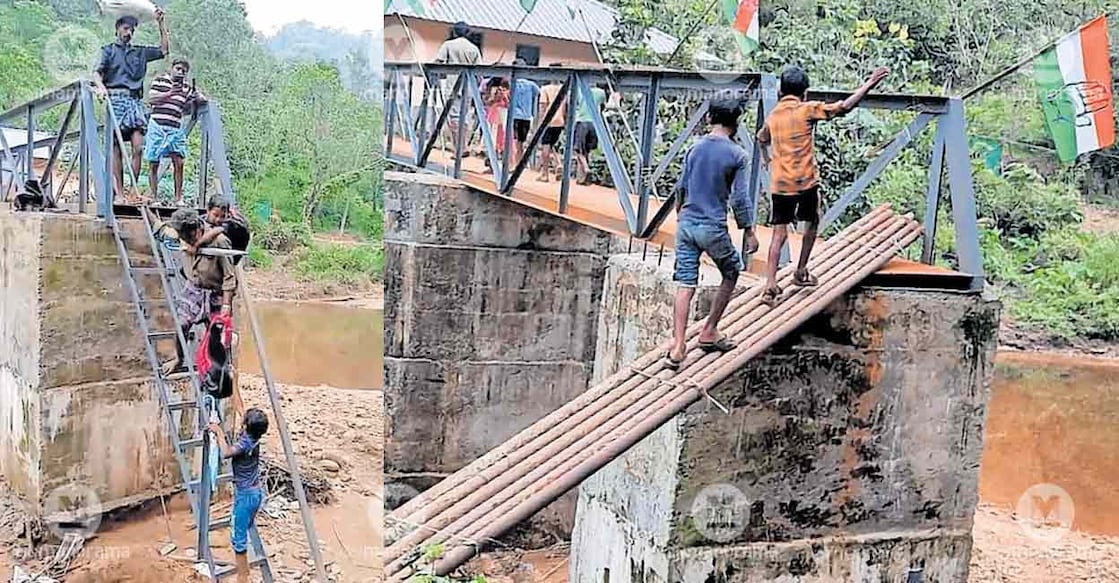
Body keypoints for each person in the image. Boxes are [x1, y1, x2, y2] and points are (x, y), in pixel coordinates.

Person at [756, 66, 889, 306]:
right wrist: (869, 84)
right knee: (814, 221)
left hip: (781, 184)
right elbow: (843, 107)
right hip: (805, 181)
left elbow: (761, 138)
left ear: (780, 92)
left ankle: (770, 285)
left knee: (779, 234)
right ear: (804, 93)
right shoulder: (807, 109)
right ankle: (801, 271)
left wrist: (767, 160)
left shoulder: (773, 116)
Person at [664, 95, 757, 371]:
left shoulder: (693, 148)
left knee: (685, 283)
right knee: (731, 272)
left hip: (686, 223)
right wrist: (749, 231)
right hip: (712, 226)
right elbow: (740, 199)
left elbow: (681, 186)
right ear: (736, 122)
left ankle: (679, 345)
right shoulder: (738, 155)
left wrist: (680, 213)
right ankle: (709, 331)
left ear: (709, 118)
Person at [93, 10, 169, 202]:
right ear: (117, 29)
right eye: (126, 28)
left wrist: (161, 24)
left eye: (132, 30)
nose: (129, 33)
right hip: (115, 100)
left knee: (138, 147)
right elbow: (97, 74)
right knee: (116, 148)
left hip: (134, 102)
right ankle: (118, 194)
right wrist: (101, 88)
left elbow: (163, 51)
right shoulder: (108, 50)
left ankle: (133, 190)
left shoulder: (140, 52)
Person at [152, 207, 238, 375]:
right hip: (194, 289)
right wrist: (145, 208)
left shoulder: (220, 241)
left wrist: (226, 305)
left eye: (190, 237)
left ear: (198, 228)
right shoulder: (180, 236)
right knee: (181, 324)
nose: (188, 241)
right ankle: (178, 358)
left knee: (218, 336)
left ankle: (222, 369)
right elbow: (160, 227)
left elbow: (229, 276)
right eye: (184, 238)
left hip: (216, 293)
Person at [208, 408, 268, 583]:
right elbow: (243, 413)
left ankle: (243, 577)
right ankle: (245, 573)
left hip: (244, 497)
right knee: (243, 528)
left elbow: (226, 453)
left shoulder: (245, 444)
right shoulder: (255, 439)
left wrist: (218, 431)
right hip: (255, 494)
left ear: (245, 426)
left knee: (238, 540)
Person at [145, 58, 206, 205]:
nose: (180, 72)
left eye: (184, 71)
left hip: (175, 127)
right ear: (172, 68)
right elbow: (151, 99)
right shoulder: (161, 81)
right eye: (178, 69)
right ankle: (154, 197)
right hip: (158, 125)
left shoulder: (186, 88)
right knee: (154, 162)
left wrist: (197, 97)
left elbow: (194, 104)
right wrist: (170, 93)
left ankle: (178, 198)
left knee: (179, 162)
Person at [434, 22, 481, 143]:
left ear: (454, 32)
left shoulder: (448, 45)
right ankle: (462, 145)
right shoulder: (474, 48)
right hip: (468, 87)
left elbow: (438, 62)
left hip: (453, 85)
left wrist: (432, 71)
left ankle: (459, 148)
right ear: (467, 33)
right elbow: (479, 72)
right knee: (464, 117)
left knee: (453, 117)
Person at [536, 65, 566, 182]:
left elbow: (543, 106)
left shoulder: (545, 89)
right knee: (553, 145)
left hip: (548, 122)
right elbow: (566, 106)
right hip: (560, 121)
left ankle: (545, 174)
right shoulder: (564, 88)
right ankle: (558, 164)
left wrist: (540, 123)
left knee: (546, 147)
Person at [573, 83, 607, 185]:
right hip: (594, 123)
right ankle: (581, 178)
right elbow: (603, 106)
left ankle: (586, 169)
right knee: (586, 151)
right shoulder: (601, 92)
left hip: (582, 121)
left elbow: (575, 104)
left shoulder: (579, 90)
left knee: (578, 151)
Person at [509, 58, 540, 165]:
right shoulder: (531, 85)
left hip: (513, 115)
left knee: (512, 141)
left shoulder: (511, 83)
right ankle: (519, 163)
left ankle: (512, 163)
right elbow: (537, 94)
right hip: (526, 116)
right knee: (520, 142)